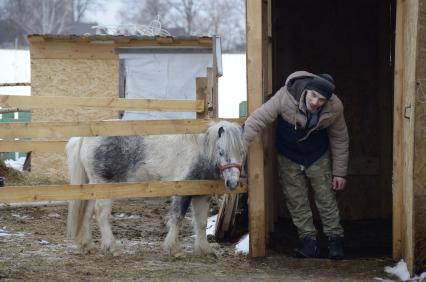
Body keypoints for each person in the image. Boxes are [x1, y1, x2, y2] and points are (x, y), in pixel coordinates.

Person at [243, 70, 349, 259]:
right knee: (296, 198)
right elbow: (258, 119)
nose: (315, 102)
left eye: (321, 99)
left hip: (317, 154)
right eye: (314, 95)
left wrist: (340, 173)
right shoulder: (285, 96)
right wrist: (240, 145)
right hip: (288, 154)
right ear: (307, 90)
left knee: (326, 197)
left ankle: (335, 240)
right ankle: (308, 241)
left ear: (328, 100)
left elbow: (340, 139)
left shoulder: (335, 107)